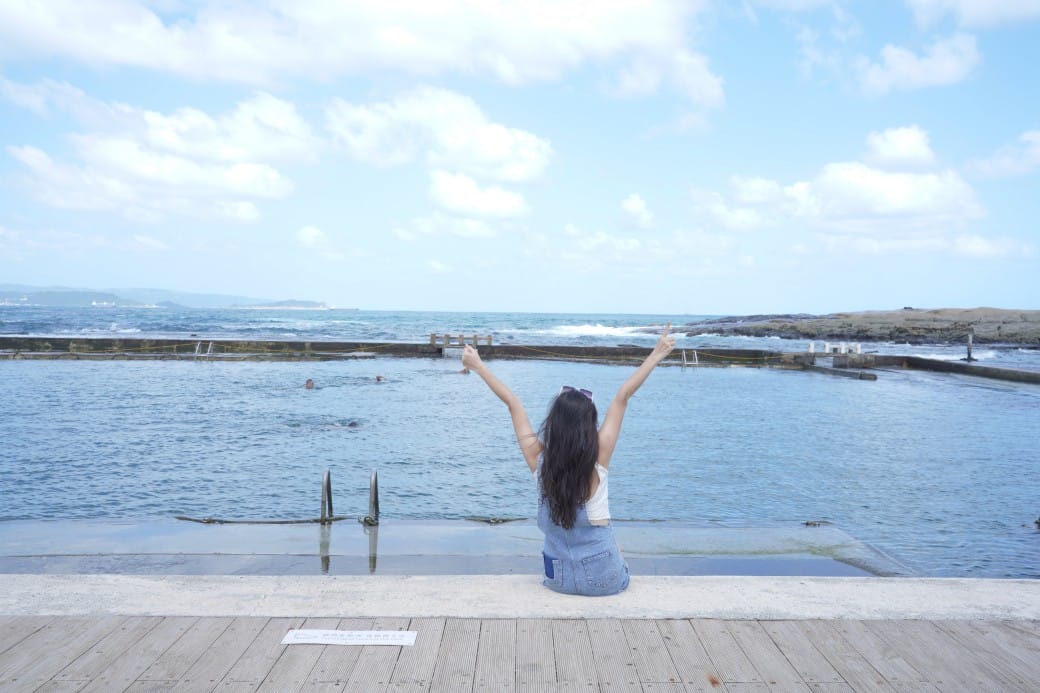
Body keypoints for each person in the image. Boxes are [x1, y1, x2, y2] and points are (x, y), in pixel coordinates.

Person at [461, 323, 676, 596]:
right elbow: (623, 395)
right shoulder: (599, 455)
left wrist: (478, 365)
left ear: (554, 424)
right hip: (604, 579)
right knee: (614, 547)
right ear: (589, 426)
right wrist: (657, 354)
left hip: (558, 579)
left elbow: (512, 402)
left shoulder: (539, 461)